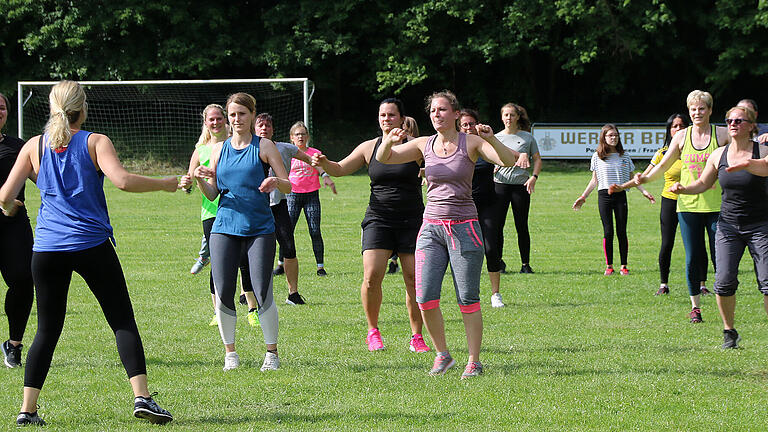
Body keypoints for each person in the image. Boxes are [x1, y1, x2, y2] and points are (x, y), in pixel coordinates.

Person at [0, 80, 178, 426]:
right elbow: (123, 180)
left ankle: (27, 410)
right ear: (83, 109)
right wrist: (166, 182)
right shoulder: (95, 141)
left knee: (46, 331)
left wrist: (9, 208)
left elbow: (6, 193)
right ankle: (142, 397)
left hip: (47, 249)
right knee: (122, 320)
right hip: (91, 244)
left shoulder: (33, 147)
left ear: (52, 109)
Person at [375, 90, 520, 379]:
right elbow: (385, 159)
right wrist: (388, 142)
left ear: (455, 114)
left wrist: (491, 138)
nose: (436, 115)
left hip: (465, 228)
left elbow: (506, 161)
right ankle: (443, 354)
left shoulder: (472, 142)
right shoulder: (423, 144)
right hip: (431, 229)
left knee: (467, 297)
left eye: (442, 110)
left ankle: (474, 360)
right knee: (425, 296)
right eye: (432, 111)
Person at [312, 98, 430, 353]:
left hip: (412, 219)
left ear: (401, 118)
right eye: (382, 115)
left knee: (413, 279)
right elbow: (341, 168)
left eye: (391, 115)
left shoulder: (416, 147)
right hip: (379, 218)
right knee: (371, 276)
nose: (386, 119)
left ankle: (417, 336)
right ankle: (373, 331)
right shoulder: (369, 147)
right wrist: (324, 163)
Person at [193, 92, 291, 372]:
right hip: (224, 227)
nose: (236, 120)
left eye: (242, 114)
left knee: (262, 289)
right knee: (223, 290)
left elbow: (288, 185)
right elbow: (212, 194)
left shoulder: (265, 146)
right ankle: (230, 354)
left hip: (260, 227)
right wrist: (201, 180)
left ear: (251, 115)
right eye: (232, 115)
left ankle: (271, 354)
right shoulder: (218, 149)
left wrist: (275, 180)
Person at [616, 90, 730, 323]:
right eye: (693, 109)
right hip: (687, 205)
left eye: (701, 108)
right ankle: (695, 307)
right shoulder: (681, 137)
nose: (697, 112)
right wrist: (644, 179)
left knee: (722, 257)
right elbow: (662, 166)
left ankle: (724, 301)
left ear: (710, 110)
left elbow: (744, 149)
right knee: (692, 257)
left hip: (718, 206)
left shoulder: (722, 134)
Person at [668, 105, 768, 348]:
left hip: (760, 226)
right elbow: (703, 183)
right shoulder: (718, 155)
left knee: (767, 283)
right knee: (723, 282)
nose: (733, 124)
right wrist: (684, 188)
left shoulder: (762, 150)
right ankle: (729, 331)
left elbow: (765, 166)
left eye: (739, 120)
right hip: (728, 226)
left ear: (751, 125)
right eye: (729, 120)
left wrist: (746, 164)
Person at [643, 114, 712, 296]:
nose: (678, 129)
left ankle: (702, 284)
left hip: (693, 201)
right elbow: (647, 174)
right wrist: (637, 182)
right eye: (674, 126)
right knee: (667, 243)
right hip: (670, 201)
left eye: (682, 126)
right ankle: (664, 284)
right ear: (669, 130)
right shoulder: (662, 153)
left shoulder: (695, 150)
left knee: (698, 244)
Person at [572, 124, 655, 275]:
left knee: (621, 231)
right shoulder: (597, 156)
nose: (614, 138)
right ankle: (609, 266)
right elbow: (594, 180)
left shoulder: (625, 156)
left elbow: (632, 178)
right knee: (608, 231)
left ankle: (624, 265)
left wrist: (644, 192)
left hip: (620, 195)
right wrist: (583, 196)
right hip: (604, 196)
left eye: (616, 135)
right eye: (610, 135)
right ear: (603, 137)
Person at [254, 113, 310, 305]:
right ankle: (248, 292)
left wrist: (326, 170)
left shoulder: (285, 148)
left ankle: (293, 293)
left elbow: (310, 158)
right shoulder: (247, 149)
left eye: (268, 126)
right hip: (255, 207)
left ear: (273, 129)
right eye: (260, 125)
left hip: (279, 205)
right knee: (252, 251)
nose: (264, 129)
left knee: (289, 248)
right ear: (254, 128)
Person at [0, 92, 34, 369]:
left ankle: (14, 345)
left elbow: (43, 177)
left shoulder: (17, 147)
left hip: (14, 227)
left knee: (23, 280)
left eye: (2, 107)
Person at [277, 121, 336, 277]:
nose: (300, 137)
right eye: (297, 134)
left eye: (303, 134)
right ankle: (281, 264)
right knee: (286, 231)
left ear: (307, 136)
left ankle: (320, 267)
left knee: (315, 230)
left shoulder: (314, 152)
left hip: (311, 195)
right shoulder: (288, 152)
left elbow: (319, 166)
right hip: (292, 195)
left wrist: (326, 177)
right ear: (292, 138)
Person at [460, 109, 505, 307]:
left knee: (490, 247)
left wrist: (493, 139)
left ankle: (495, 294)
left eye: (471, 124)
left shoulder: (485, 146)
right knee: (463, 251)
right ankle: (466, 291)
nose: (468, 128)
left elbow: (505, 157)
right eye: (464, 124)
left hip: (488, 204)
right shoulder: (455, 147)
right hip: (463, 206)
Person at [492, 103, 540, 276]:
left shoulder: (527, 138)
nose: (508, 118)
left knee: (522, 225)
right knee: (498, 225)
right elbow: (489, 157)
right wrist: (493, 166)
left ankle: (525, 264)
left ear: (518, 117)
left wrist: (533, 178)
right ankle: (498, 262)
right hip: (500, 185)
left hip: (520, 186)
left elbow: (538, 160)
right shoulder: (495, 137)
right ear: (501, 117)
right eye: (505, 115)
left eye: (512, 115)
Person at [386, 115, 421, 275]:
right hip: (386, 208)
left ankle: (394, 260)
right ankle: (393, 260)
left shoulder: (418, 147)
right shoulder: (383, 148)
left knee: (413, 275)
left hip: (411, 208)